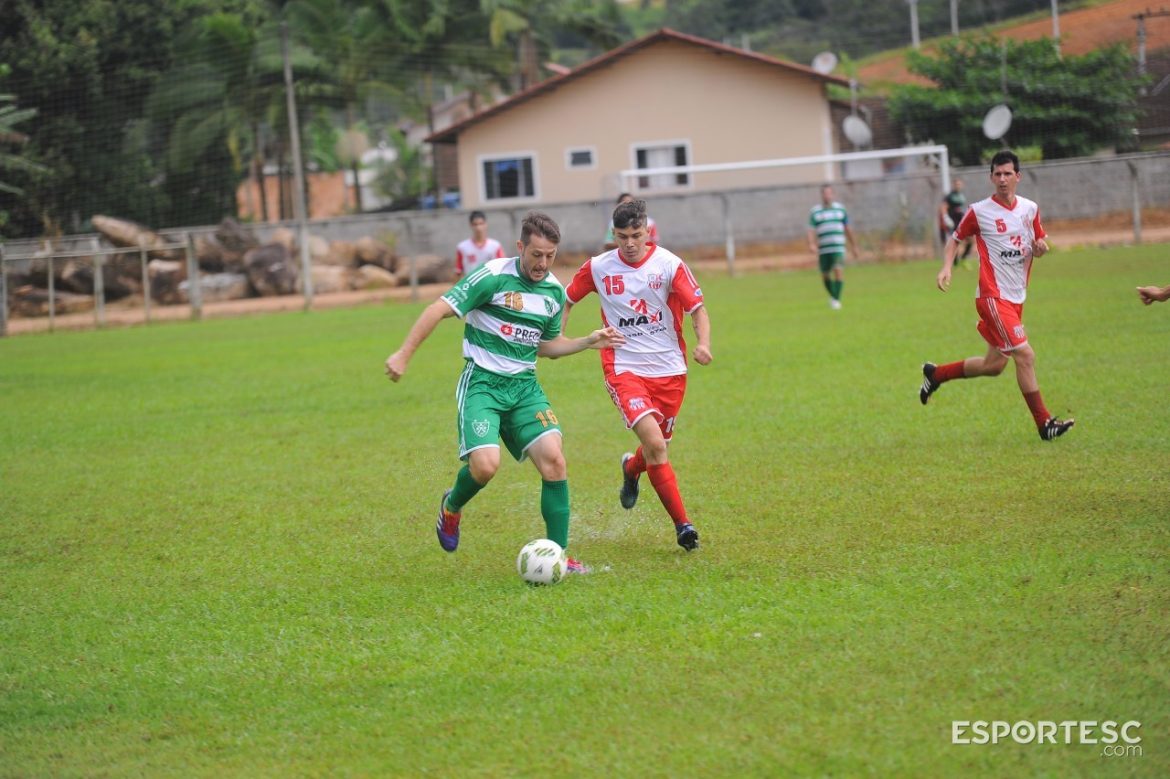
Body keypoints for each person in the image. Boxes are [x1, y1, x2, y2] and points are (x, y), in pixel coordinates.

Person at [386, 211, 625, 573]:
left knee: (555, 461)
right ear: (520, 247)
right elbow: (438, 308)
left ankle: (559, 555)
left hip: (524, 388)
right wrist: (403, 354)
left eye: (550, 256)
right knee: (485, 467)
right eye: (536, 255)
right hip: (482, 384)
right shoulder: (493, 277)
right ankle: (452, 507)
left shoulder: (553, 294)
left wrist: (588, 342)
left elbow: (546, 346)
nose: (542, 264)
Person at [565, 198, 711, 552]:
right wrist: (559, 337)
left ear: (648, 231)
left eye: (636, 235)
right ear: (612, 235)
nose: (629, 243)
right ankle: (684, 527)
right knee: (658, 447)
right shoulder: (599, 267)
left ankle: (631, 469)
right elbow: (566, 299)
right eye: (621, 236)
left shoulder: (669, 265)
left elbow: (697, 309)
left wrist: (703, 343)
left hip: (671, 370)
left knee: (653, 449)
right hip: (624, 368)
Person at [919, 149, 1074, 442]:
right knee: (1025, 355)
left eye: (1008, 174)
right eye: (997, 174)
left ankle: (935, 374)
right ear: (991, 177)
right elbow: (955, 240)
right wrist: (946, 268)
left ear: (1018, 176)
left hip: (1016, 299)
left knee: (994, 366)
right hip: (992, 297)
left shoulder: (1030, 209)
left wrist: (1041, 248)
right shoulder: (980, 211)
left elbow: (1039, 242)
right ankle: (1045, 424)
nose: (1002, 179)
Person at [807, 184, 860, 310]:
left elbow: (848, 228)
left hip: (838, 246)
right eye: (825, 193)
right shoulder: (815, 212)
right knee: (825, 275)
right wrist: (811, 244)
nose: (827, 195)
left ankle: (836, 300)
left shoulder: (840, 210)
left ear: (833, 194)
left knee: (838, 270)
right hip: (824, 248)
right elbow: (811, 230)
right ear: (822, 195)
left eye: (829, 193)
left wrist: (854, 246)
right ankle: (833, 296)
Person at [454, 210, 505, 279]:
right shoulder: (462, 247)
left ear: (486, 224)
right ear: (470, 225)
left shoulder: (495, 246)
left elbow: (503, 268)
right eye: (475, 224)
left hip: (491, 286)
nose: (478, 227)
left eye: (481, 223)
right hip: (471, 286)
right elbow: (458, 271)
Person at [939, 178, 974, 268]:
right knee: (955, 240)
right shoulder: (949, 196)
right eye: (956, 184)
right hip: (953, 222)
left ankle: (964, 258)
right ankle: (954, 261)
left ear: (962, 185)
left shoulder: (961, 195)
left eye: (959, 184)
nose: (958, 186)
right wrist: (946, 218)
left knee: (970, 239)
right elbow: (943, 207)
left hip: (961, 221)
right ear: (953, 185)